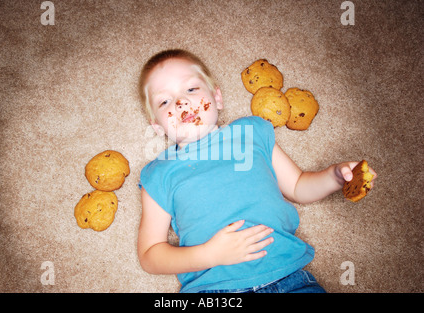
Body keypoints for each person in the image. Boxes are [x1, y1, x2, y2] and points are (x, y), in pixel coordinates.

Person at [137, 49, 376, 293]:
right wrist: (209, 254)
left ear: (217, 97)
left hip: (289, 281)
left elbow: (298, 186)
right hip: (214, 289)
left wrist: (334, 176)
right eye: (164, 101)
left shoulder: (250, 132)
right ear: (157, 126)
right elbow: (149, 254)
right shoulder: (159, 173)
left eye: (190, 89)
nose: (181, 102)